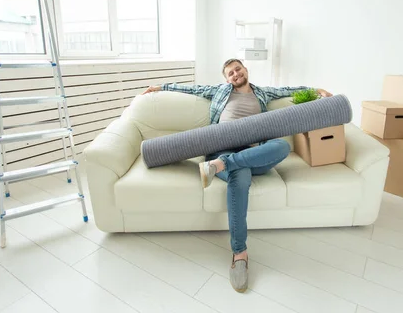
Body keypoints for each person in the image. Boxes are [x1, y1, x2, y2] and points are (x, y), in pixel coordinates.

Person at [141, 58, 332, 293]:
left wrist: (316, 90)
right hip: (222, 147)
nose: (235, 75)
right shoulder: (221, 92)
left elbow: (287, 90)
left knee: (281, 146)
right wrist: (160, 87)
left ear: (245, 70)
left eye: (238, 70)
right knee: (240, 177)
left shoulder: (262, 93)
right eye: (230, 73)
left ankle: (221, 165)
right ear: (226, 79)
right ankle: (239, 254)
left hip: (253, 152)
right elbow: (191, 88)